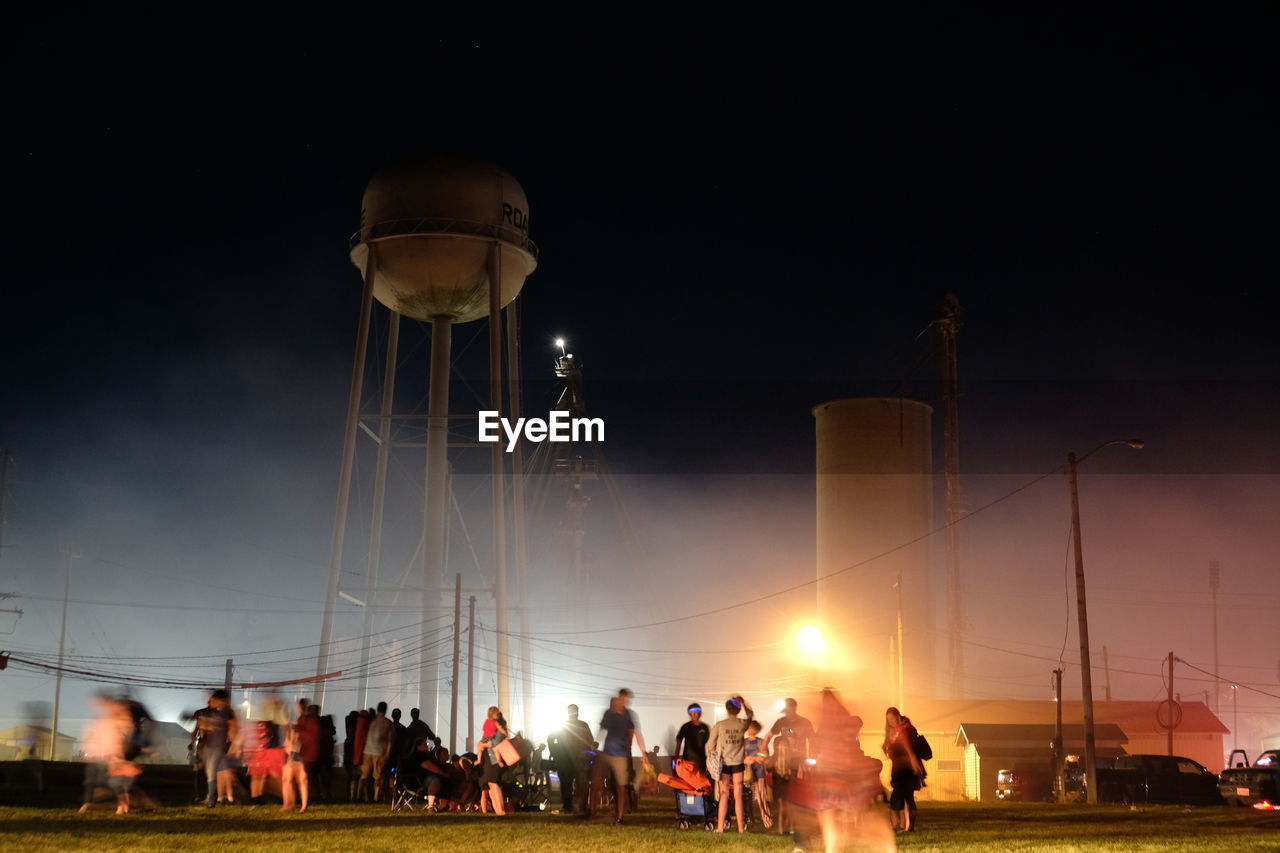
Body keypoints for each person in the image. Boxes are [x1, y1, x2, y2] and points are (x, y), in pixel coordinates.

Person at [586, 689, 651, 825]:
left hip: (620, 755)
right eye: (624, 699)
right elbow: (602, 730)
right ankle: (592, 812)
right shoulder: (609, 714)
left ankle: (620, 817)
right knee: (596, 782)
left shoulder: (629, 715)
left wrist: (643, 751)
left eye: (627, 700)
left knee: (622, 786)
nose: (625, 702)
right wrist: (595, 744)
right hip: (606, 753)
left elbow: (635, 733)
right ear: (620, 697)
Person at [764, 696, 815, 834]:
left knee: (794, 795)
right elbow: (768, 736)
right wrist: (763, 751)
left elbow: (813, 741)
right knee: (783, 798)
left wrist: (810, 759)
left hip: (798, 761)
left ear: (793, 708)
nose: (787, 712)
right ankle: (786, 825)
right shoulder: (781, 721)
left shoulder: (804, 722)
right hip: (782, 761)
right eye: (785, 710)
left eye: (788, 709)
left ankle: (794, 825)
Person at [708, 696, 749, 833]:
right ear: (738, 709)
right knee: (738, 796)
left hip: (724, 763)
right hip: (738, 763)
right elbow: (751, 715)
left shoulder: (720, 725)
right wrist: (744, 703)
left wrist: (713, 753)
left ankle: (720, 828)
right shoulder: (743, 723)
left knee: (724, 794)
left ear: (727, 709)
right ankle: (741, 828)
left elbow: (710, 745)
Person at [191, 689, 238, 808]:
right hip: (207, 746)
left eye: (213, 699)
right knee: (209, 772)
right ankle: (210, 796)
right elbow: (201, 724)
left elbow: (234, 728)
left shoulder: (228, 712)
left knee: (211, 771)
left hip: (219, 747)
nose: (211, 701)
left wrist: (233, 745)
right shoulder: (208, 712)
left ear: (220, 700)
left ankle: (211, 800)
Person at [883, 706, 923, 833]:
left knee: (902, 798)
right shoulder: (893, 731)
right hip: (898, 768)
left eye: (892, 718)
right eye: (888, 720)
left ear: (898, 716)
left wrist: (915, 764)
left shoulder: (906, 729)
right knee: (903, 797)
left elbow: (909, 749)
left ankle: (903, 827)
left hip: (907, 768)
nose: (890, 722)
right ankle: (903, 826)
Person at [547, 704, 592, 813]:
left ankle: (568, 806)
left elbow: (550, 739)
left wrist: (555, 752)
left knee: (566, 783)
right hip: (579, 758)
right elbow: (590, 740)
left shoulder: (563, 725)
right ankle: (582, 806)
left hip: (565, 759)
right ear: (577, 712)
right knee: (581, 783)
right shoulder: (583, 725)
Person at [476, 706, 511, 815]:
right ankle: (498, 811)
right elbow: (485, 737)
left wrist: (483, 744)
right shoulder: (490, 724)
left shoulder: (500, 729)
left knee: (493, 783)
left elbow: (496, 742)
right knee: (491, 785)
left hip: (493, 758)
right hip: (488, 758)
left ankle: (501, 810)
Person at [361, 701, 394, 802]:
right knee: (377, 776)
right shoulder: (388, 722)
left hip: (367, 750)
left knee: (364, 775)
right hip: (379, 752)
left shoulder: (371, 720)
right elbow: (391, 740)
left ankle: (362, 796)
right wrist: (387, 754)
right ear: (385, 710)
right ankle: (375, 797)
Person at [674, 702, 711, 777]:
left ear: (700, 713)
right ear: (689, 714)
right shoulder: (685, 727)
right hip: (687, 761)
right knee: (689, 782)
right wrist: (676, 758)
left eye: (697, 712)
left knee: (701, 783)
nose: (695, 714)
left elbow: (710, 744)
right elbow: (679, 742)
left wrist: (710, 760)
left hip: (701, 761)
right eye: (693, 712)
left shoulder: (705, 727)